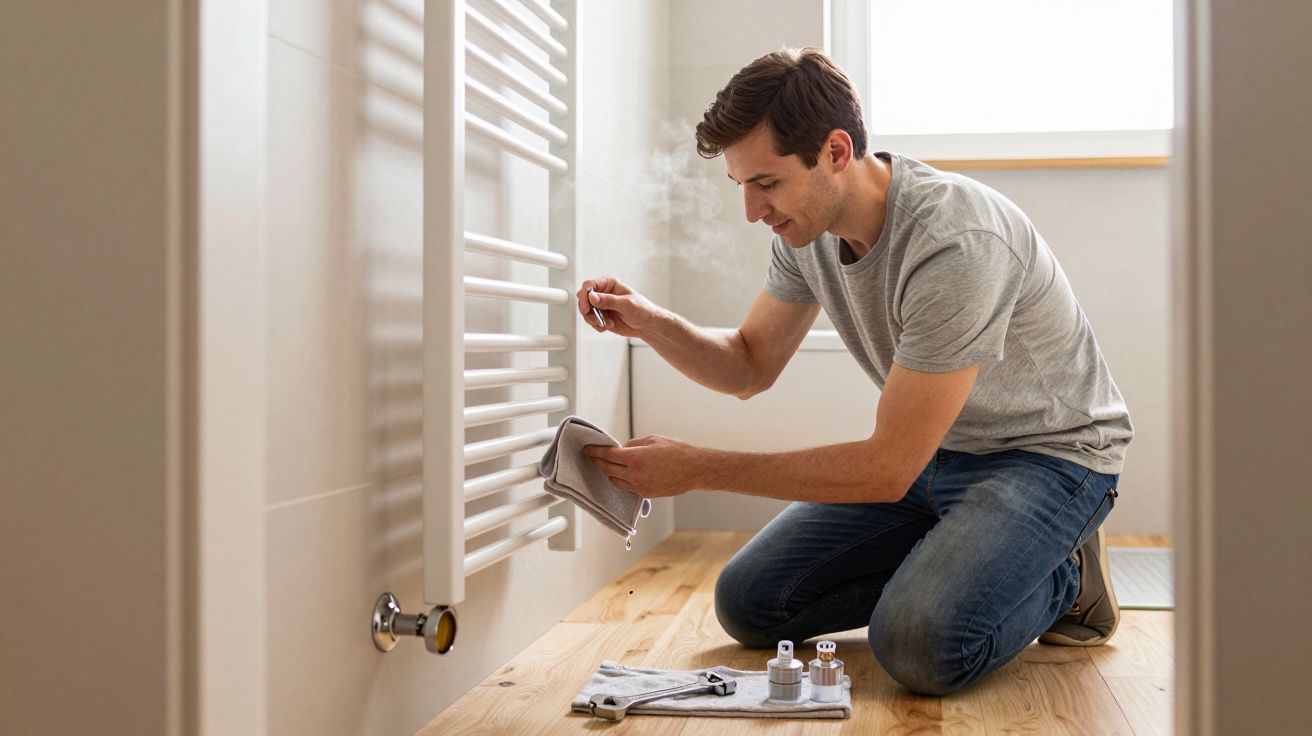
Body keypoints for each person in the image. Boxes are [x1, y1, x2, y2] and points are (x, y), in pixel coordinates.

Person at [577, 46, 1132, 696]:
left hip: (1049, 459)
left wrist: (698, 467)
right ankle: (967, 554)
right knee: (750, 603)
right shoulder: (805, 233)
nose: (753, 211)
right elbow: (748, 365)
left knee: (920, 646)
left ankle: (1065, 573)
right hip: (942, 454)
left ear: (835, 152)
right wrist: (646, 320)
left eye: (767, 183)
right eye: (742, 187)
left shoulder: (957, 243)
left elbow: (887, 467)